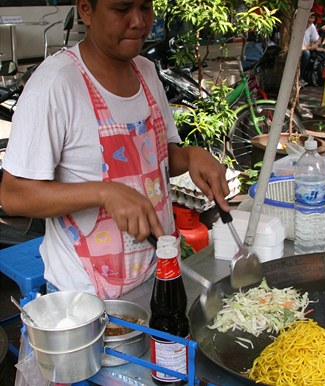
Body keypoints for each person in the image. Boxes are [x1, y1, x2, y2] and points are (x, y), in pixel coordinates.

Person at [0, 0, 230, 300]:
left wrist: (189, 156)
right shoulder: (56, 83)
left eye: (145, 7)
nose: (138, 21)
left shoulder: (147, 72)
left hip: (156, 271)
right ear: (86, 10)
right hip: (84, 293)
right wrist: (105, 193)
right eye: (122, 9)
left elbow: (155, 158)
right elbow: (14, 196)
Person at [301, 13, 321, 86]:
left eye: (312, 18)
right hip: (298, 50)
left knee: (322, 52)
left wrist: (316, 44)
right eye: (309, 17)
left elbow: (318, 39)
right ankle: (301, 77)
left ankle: (318, 78)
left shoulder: (311, 26)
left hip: (306, 48)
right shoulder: (297, 25)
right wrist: (309, 47)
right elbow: (301, 47)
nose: (310, 20)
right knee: (306, 53)